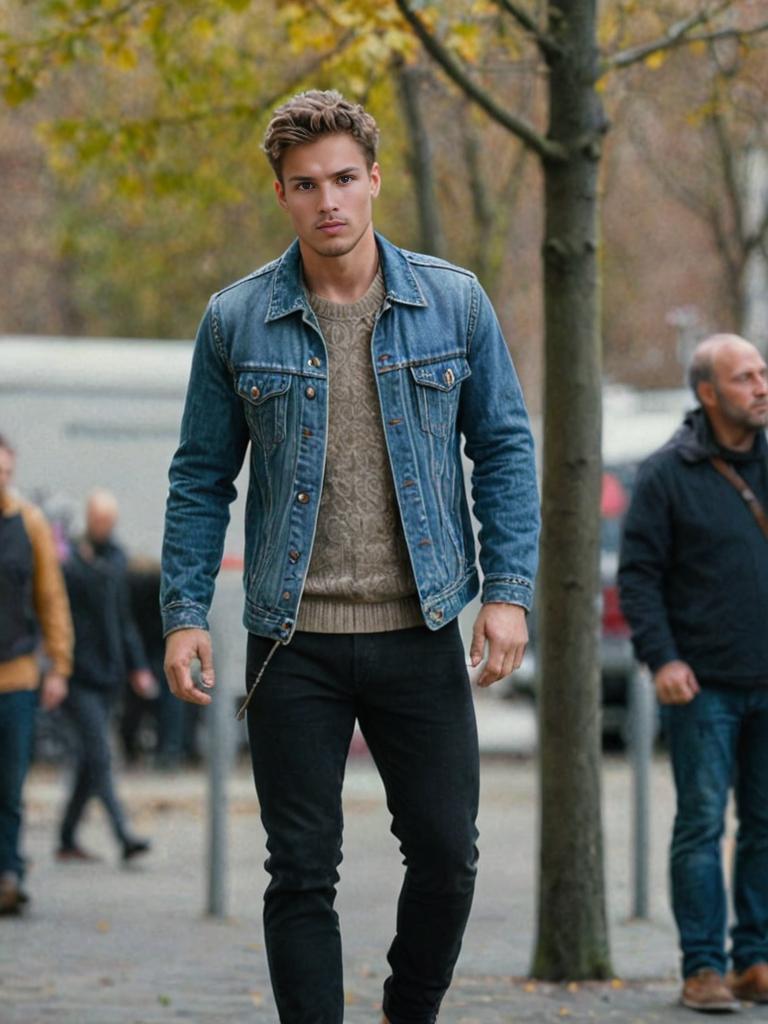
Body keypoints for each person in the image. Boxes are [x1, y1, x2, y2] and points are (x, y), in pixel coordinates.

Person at [161, 90, 540, 1024]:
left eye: (342, 179)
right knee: (299, 872)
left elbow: (505, 446)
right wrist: (180, 613)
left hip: (420, 628)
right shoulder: (236, 320)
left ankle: (407, 1012)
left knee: (449, 857)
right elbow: (200, 477)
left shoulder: (452, 301)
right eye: (305, 185)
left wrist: (509, 592)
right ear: (282, 194)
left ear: (374, 179)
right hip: (293, 643)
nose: (327, 200)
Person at [619, 334, 768, 1012]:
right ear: (707, 393)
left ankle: (755, 960)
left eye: (763, 374)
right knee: (702, 824)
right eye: (744, 378)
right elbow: (639, 579)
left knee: (766, 826)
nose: (761, 387)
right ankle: (702, 968)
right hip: (701, 684)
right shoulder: (664, 475)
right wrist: (663, 658)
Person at [57, 489, 155, 863]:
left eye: (109, 521)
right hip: (77, 675)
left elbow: (123, 620)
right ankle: (124, 835)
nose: (105, 527)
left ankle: (66, 837)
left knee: (88, 762)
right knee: (100, 755)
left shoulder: (116, 560)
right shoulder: (73, 564)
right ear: (89, 519)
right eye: (99, 520)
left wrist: (137, 667)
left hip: (109, 673)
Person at [0, 434, 72, 915]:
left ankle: (9, 873)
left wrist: (59, 666)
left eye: (6, 472)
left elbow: (51, 598)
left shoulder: (29, 523)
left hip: (17, 675)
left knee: (10, 784)